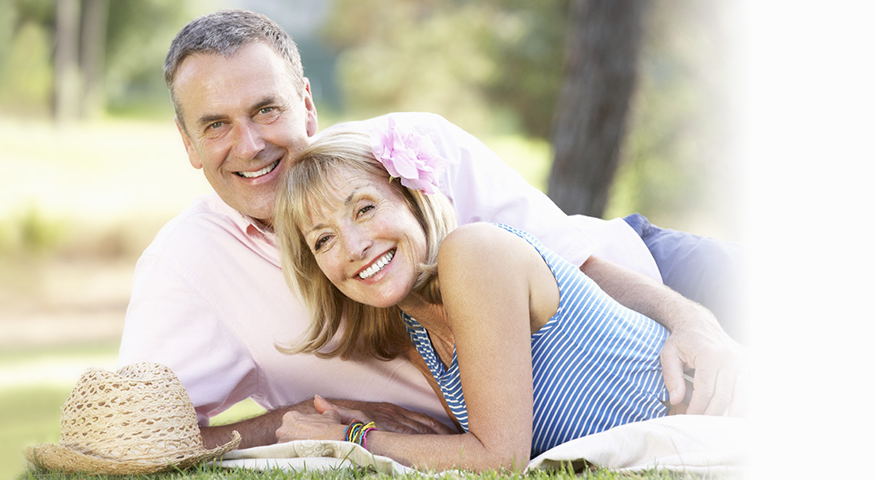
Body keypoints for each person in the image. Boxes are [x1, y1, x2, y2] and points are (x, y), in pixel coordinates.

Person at [117, 9, 741, 449]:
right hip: (536, 414)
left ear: (306, 102)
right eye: (217, 125)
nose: (250, 145)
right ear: (189, 144)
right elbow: (137, 433)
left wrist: (693, 320)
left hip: (652, 284)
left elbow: (579, 263)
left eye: (266, 109)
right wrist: (288, 421)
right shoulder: (187, 266)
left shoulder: (410, 148)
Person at [270, 127, 671, 471]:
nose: (353, 247)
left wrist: (351, 438)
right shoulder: (417, 331)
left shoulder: (474, 253)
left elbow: (499, 459)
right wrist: (368, 425)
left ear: (413, 199)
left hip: (710, 422)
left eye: (364, 209)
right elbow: (474, 446)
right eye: (324, 239)